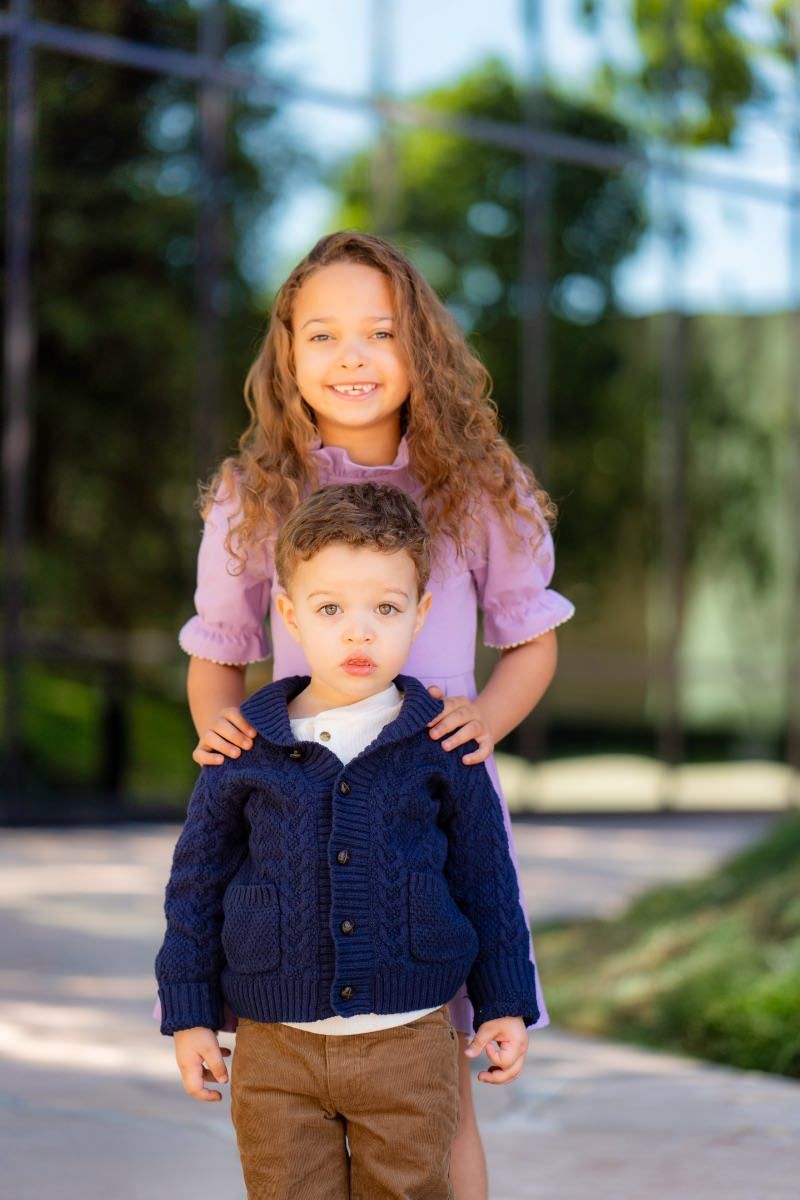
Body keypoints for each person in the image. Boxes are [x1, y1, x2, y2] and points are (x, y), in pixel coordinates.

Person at [175, 230, 574, 1199]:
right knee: (301, 1094)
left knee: (438, 1093)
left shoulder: (478, 489)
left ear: (421, 348)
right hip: (297, 823)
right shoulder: (249, 498)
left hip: (427, 819)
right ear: (286, 356)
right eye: (322, 336)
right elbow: (218, 651)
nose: (350, 357)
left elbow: (530, 636)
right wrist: (221, 735)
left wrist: (484, 719)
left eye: (378, 333)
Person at [156, 481, 540, 1200]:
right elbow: (195, 889)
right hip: (277, 1050)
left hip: (410, 1045)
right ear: (290, 614)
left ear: (421, 615)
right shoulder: (244, 745)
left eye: (385, 609)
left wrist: (504, 1002)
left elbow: (490, 883)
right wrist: (189, 1015)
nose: (358, 632)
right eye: (331, 609)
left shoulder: (444, 743)